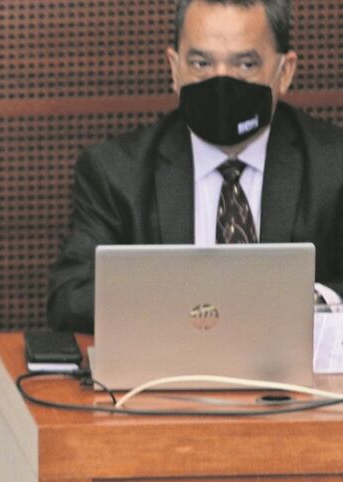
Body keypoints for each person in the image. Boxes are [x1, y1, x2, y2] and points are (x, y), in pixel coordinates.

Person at [47, 0, 343, 333]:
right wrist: (192, 303)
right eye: (201, 63)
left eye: (245, 64)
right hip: (166, 363)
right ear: (175, 69)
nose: (221, 82)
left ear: (284, 71)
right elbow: (70, 298)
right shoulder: (116, 172)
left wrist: (306, 304)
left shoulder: (334, 167)